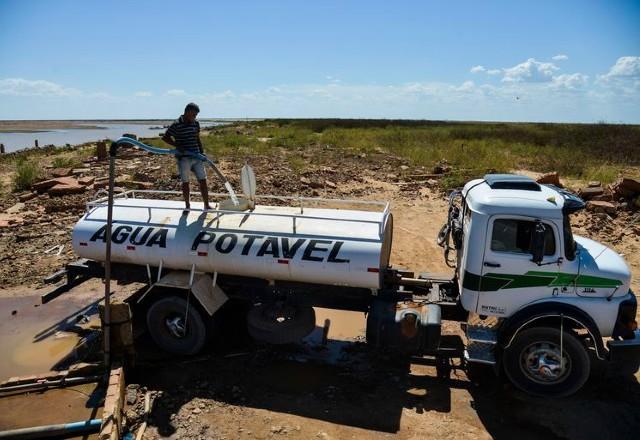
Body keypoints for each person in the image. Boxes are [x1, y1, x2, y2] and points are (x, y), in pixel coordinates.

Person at [162, 103, 211, 211]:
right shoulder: (176, 124)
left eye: (196, 115)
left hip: (197, 156)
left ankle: (206, 205)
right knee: (186, 182)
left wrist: (202, 152)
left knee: (203, 180)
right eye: (194, 115)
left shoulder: (195, 123)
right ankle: (187, 206)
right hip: (183, 158)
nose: (195, 117)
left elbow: (197, 138)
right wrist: (177, 146)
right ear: (187, 112)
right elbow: (165, 138)